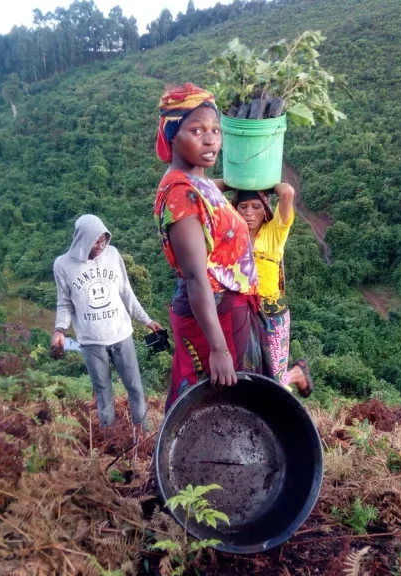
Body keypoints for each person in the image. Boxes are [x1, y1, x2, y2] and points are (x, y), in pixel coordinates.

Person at [153, 83, 273, 410]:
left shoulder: (200, 180)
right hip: (213, 319)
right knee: (216, 411)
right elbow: (195, 276)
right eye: (196, 131)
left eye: (215, 130)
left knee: (237, 410)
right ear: (172, 135)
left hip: (229, 310)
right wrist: (218, 349)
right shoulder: (180, 193)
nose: (210, 140)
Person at [51, 214, 162, 430]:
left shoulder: (112, 254)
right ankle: (109, 438)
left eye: (103, 240)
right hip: (91, 341)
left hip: (121, 334)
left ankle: (143, 436)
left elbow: (126, 292)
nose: (100, 246)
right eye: (95, 242)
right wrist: (60, 329)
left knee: (135, 388)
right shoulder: (63, 265)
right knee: (103, 393)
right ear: (82, 240)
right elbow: (64, 303)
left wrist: (146, 320)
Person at [232, 185, 313, 396]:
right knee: (246, 371)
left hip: (272, 314)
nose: (249, 213)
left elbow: (287, 193)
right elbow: (203, 192)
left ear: (265, 209)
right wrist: (234, 182)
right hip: (242, 312)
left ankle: (296, 374)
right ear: (234, 209)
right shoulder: (231, 235)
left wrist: (262, 182)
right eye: (243, 206)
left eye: (256, 206)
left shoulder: (274, 232)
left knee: (273, 379)